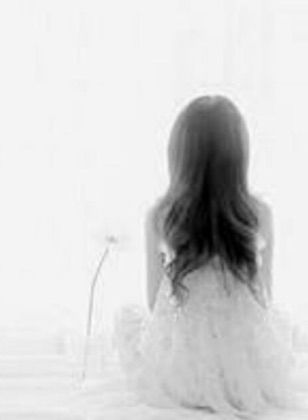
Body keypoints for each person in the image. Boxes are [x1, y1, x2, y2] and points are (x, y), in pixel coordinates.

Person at [108, 95, 308, 419]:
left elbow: (154, 303)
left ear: (178, 155)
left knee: (127, 320)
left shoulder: (161, 215)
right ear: (240, 156)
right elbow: (265, 299)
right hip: (250, 374)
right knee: (281, 324)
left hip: (183, 374)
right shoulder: (260, 214)